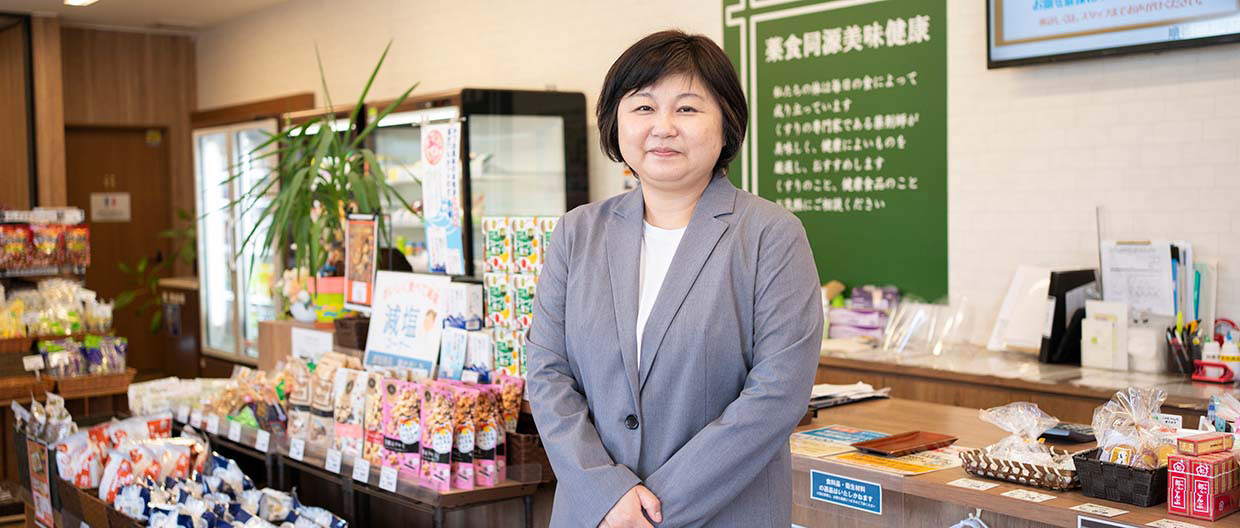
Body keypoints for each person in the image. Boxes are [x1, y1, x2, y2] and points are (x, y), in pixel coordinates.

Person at [526, 29, 823, 527]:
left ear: (726, 124)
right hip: (594, 515)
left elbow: (778, 394)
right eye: (643, 107)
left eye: (687, 108)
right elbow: (547, 373)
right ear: (615, 123)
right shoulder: (577, 233)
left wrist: (650, 511)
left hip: (721, 514)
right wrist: (605, 492)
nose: (662, 127)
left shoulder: (770, 234)